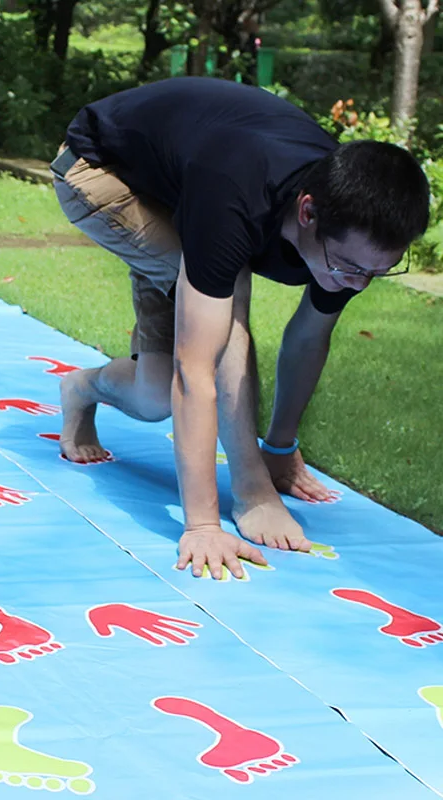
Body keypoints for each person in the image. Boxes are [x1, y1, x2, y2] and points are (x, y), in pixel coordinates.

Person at [50, 77, 429, 580]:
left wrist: (282, 448)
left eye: (376, 273)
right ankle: (249, 488)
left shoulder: (352, 229)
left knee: (154, 397)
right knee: (227, 307)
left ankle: (82, 386)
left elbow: (310, 334)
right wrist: (204, 523)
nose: (356, 284)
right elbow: (197, 367)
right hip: (99, 168)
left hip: (180, 177)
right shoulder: (237, 196)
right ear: (308, 213)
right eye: (349, 269)